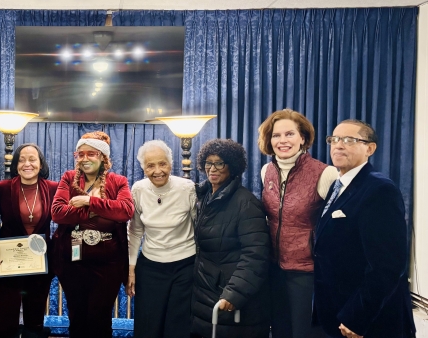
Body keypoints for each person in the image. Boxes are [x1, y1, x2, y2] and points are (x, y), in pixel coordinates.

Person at [313, 120, 415, 338]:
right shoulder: (337, 184)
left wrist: (358, 315)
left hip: (368, 319)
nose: (338, 145)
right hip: (338, 308)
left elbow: (387, 264)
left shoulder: (379, 189)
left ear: (370, 148)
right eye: (335, 139)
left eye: (349, 140)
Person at [257, 109, 337, 338]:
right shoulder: (267, 171)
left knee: (302, 331)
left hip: (306, 269)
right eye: (276, 135)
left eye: (289, 134)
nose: (282, 141)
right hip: (273, 264)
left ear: (303, 138)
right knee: (279, 327)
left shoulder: (325, 174)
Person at [51, 131, 134, 338]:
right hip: (72, 262)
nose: (84, 159)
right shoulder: (69, 178)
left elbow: (125, 211)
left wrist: (89, 202)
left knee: (100, 320)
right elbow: (58, 213)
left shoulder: (119, 181)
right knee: (77, 318)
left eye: (91, 154)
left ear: (103, 158)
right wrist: (105, 209)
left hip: (109, 265)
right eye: (80, 154)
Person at [191, 139, 270, 338]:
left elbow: (256, 255)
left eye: (220, 163)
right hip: (204, 293)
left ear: (233, 166)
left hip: (229, 297)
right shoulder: (203, 196)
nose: (212, 168)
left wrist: (233, 294)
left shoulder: (246, 203)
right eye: (209, 163)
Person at [127, 140, 196, 338]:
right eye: (150, 165)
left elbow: (199, 227)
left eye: (162, 163)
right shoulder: (138, 190)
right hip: (150, 266)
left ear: (171, 163)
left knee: (178, 325)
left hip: (185, 265)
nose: (158, 170)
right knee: (148, 324)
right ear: (143, 167)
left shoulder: (187, 188)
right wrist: (131, 269)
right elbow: (135, 232)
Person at [0, 143, 58, 338]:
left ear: (40, 163)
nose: (27, 164)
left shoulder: (53, 188)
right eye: (22, 159)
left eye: (32, 159)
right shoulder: (2, 188)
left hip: (39, 265)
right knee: (7, 323)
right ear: (16, 164)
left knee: (34, 323)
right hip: (7, 264)